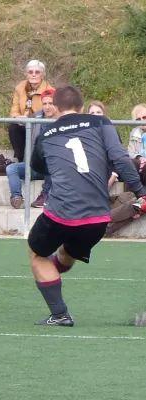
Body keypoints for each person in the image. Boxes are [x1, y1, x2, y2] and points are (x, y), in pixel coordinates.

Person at [28, 84, 146, 327]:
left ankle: (60, 314)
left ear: (56, 108)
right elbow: (121, 159)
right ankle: (53, 274)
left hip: (61, 212)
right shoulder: (100, 124)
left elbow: (37, 167)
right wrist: (142, 191)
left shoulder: (46, 135)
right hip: (98, 216)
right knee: (67, 253)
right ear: (82, 108)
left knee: (37, 253)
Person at [6, 89, 56, 209]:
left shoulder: (63, 120)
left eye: (51, 103)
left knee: (51, 159)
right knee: (11, 168)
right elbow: (21, 126)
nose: (47, 107)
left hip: (55, 168)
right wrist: (21, 120)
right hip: (36, 166)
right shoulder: (36, 117)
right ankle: (16, 197)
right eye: (44, 104)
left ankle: (45, 195)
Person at [8, 60, 54, 162]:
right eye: (30, 72)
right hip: (23, 122)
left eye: (37, 72)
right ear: (26, 74)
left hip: (39, 124)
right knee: (13, 128)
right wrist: (18, 118)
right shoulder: (20, 88)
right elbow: (14, 109)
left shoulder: (49, 90)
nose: (33, 75)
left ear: (42, 75)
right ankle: (21, 160)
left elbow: (49, 112)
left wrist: (33, 120)